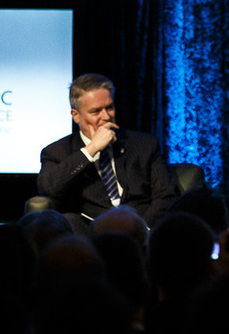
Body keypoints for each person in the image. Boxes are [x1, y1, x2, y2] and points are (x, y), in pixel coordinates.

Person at [36, 73, 178, 232]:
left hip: (139, 229)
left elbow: (165, 196)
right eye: (96, 111)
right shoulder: (57, 151)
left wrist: (142, 229)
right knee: (69, 220)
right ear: (76, 115)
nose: (106, 117)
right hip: (91, 232)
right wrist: (92, 149)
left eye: (109, 108)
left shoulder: (144, 145)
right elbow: (48, 187)